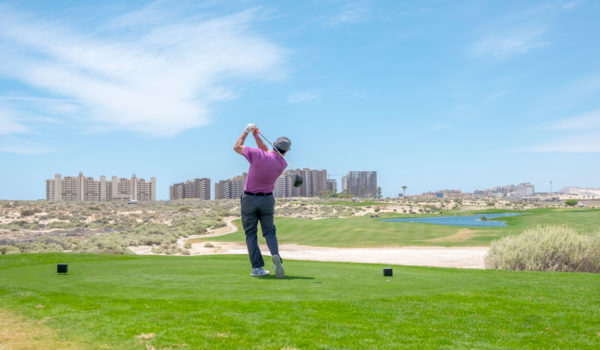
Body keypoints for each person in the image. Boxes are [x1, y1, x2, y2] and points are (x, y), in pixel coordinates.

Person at [234, 123, 290, 278]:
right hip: (267, 200)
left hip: (250, 199)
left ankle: (257, 268)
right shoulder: (282, 164)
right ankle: (276, 255)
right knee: (269, 231)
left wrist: (246, 132)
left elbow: (237, 147)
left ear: (274, 145)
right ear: (285, 152)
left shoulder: (257, 154)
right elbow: (266, 152)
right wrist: (256, 134)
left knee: (251, 233)